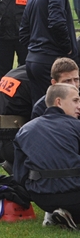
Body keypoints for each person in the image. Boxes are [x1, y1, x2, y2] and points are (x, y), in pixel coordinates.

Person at [0, 58, 79, 169]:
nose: (73, 85)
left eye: (76, 80)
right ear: (53, 82)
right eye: (67, 81)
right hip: (12, 142)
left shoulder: (28, 71)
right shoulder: (46, 95)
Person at [14, 83, 80, 229]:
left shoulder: (25, 130)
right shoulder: (76, 126)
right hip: (75, 194)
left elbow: (19, 175)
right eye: (75, 100)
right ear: (58, 102)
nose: (79, 106)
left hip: (41, 197)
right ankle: (70, 214)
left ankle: (60, 214)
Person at [19, 0, 79, 104]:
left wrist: (35, 49)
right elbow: (57, 22)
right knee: (60, 107)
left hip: (32, 60)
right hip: (51, 61)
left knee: (39, 108)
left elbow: (24, 30)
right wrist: (68, 49)